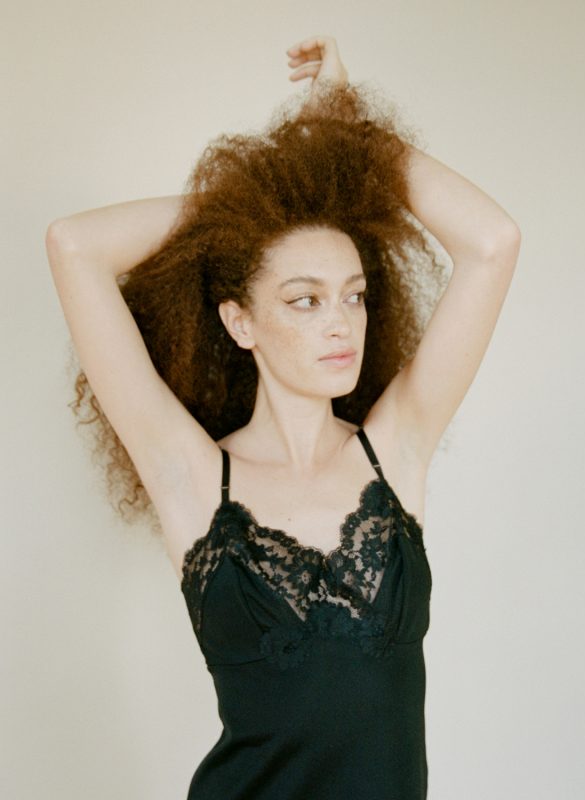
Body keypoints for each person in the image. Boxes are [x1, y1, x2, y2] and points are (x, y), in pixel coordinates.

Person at [46, 35, 520, 800]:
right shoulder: (194, 477)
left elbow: (494, 244)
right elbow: (75, 246)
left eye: (354, 296)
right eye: (304, 299)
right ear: (241, 322)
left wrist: (347, 130)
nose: (341, 323)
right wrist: (251, 200)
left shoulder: (395, 449)